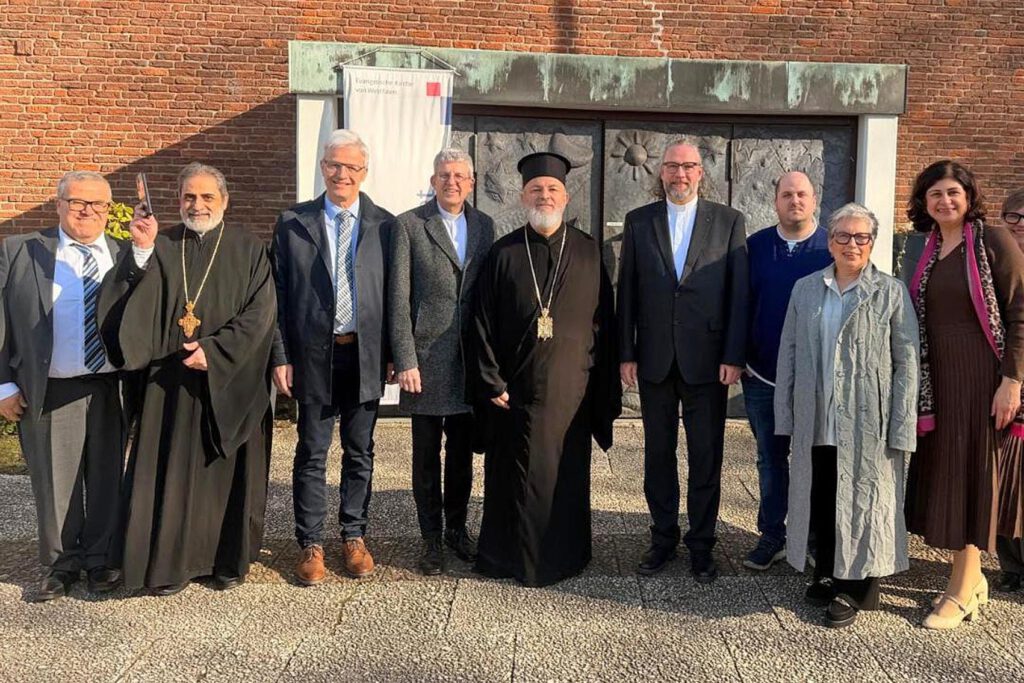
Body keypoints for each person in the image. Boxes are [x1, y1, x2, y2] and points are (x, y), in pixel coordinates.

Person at [99, 162, 276, 595]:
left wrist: (214, 352)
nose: (197, 205)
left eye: (206, 197)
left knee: (224, 478)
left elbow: (262, 314)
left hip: (228, 381)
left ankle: (224, 561)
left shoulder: (248, 248)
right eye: (188, 197)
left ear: (224, 201)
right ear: (178, 201)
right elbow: (124, 300)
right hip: (169, 386)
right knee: (168, 475)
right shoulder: (158, 245)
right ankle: (167, 566)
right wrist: (139, 252)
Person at [473, 151, 620, 587]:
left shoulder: (590, 252)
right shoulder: (503, 252)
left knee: (566, 475)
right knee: (512, 476)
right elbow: (479, 322)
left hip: (571, 391)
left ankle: (566, 556)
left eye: (553, 188)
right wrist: (489, 378)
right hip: (514, 390)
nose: (545, 195)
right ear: (523, 196)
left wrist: (603, 383)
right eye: (536, 188)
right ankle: (508, 558)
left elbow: (605, 324)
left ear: (566, 196)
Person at [775, 203, 919, 628]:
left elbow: (907, 362)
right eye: (843, 236)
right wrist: (787, 416)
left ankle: (856, 587)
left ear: (872, 243)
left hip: (868, 421)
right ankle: (827, 570)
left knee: (865, 500)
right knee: (821, 492)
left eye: (861, 237)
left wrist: (901, 423)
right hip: (817, 416)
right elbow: (790, 353)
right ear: (830, 241)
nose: (852, 244)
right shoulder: (805, 289)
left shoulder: (890, 292)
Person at [617, 140, 748, 583]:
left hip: (709, 363)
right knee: (658, 455)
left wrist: (734, 354)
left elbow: (737, 294)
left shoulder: (728, 222)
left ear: (700, 172)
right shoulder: (640, 222)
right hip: (654, 359)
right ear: (661, 172)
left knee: (706, 456)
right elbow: (627, 293)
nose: (680, 174)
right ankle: (662, 537)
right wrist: (626, 352)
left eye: (688, 166)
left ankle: (702, 545)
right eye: (672, 166)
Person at [903, 161, 1024, 629]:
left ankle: (963, 586)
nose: (944, 201)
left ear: (969, 196)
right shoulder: (929, 248)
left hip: (983, 379)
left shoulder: (994, 242)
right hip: (941, 383)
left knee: (973, 474)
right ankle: (971, 579)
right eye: (935, 194)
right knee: (949, 475)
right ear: (924, 203)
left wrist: (1012, 381)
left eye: (952, 192)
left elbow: (1019, 311)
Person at [271, 129, 395, 584]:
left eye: (351, 167)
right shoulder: (292, 223)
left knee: (360, 450)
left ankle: (354, 535)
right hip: (312, 356)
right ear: (323, 167)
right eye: (333, 165)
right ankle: (310, 543)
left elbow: (395, 296)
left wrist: (395, 355)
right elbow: (278, 295)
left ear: (364, 172)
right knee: (312, 451)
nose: (342, 174)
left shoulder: (385, 225)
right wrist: (280, 355)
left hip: (363, 355)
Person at [0, 171, 130, 601]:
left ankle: (100, 560)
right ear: (58, 205)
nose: (88, 212)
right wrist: (3, 385)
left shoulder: (125, 255)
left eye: (98, 205)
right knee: (56, 484)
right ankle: (60, 565)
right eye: (78, 203)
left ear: (109, 211)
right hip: (52, 388)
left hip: (110, 388)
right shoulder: (19, 252)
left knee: (107, 476)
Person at [388, 149, 495, 575]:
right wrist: (405, 357)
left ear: (471, 182)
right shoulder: (410, 225)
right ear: (432, 181)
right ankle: (430, 538)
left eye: (460, 176)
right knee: (426, 454)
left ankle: (457, 530)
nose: (452, 182)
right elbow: (397, 298)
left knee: (463, 454)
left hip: (469, 360)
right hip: (427, 360)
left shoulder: (484, 226)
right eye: (444, 175)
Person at [742, 171, 833, 571]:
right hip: (762, 374)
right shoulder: (756, 247)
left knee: (815, 459)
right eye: (787, 194)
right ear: (775, 201)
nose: (794, 200)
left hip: (818, 379)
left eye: (802, 194)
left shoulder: (834, 245)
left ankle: (812, 537)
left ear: (815, 200)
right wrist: (736, 357)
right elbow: (739, 305)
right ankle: (773, 534)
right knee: (770, 458)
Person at [995, 188, 1024, 593]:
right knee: (1002, 476)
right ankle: (1011, 563)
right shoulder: (997, 264)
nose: (1017, 225)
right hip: (1001, 384)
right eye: (1012, 217)